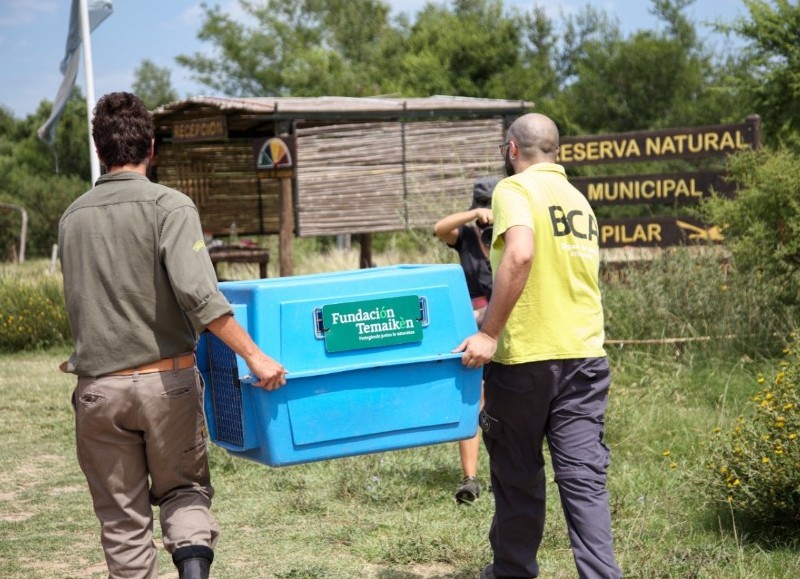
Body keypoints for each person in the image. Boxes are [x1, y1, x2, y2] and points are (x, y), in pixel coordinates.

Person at [58, 92, 287, 579]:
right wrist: (255, 356)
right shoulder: (171, 206)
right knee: (184, 493)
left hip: (99, 393)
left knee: (122, 521)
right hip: (167, 385)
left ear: (100, 150)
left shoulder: (72, 217)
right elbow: (200, 297)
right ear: (153, 147)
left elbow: (83, 297)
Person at [455, 113, 622, 578]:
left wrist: (488, 333)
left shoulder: (515, 189)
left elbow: (522, 254)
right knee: (584, 480)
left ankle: (512, 571)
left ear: (512, 150)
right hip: (585, 356)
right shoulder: (578, 200)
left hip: (527, 360)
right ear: (556, 151)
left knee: (517, 475)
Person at [433, 176, 499, 503]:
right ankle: (470, 478)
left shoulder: (514, 235)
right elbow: (439, 228)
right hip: (474, 325)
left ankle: (509, 470)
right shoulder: (467, 238)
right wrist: (472, 217)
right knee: (476, 396)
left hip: (509, 321)